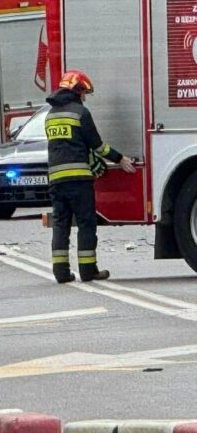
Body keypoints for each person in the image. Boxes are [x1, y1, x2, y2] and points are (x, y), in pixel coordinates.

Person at [45, 70, 136, 284]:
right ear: (77, 90)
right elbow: (98, 145)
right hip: (78, 179)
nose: (85, 97)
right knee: (86, 224)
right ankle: (88, 271)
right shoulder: (80, 113)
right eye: (84, 92)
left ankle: (61, 272)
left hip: (56, 179)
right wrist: (120, 158)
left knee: (60, 224)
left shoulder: (50, 115)